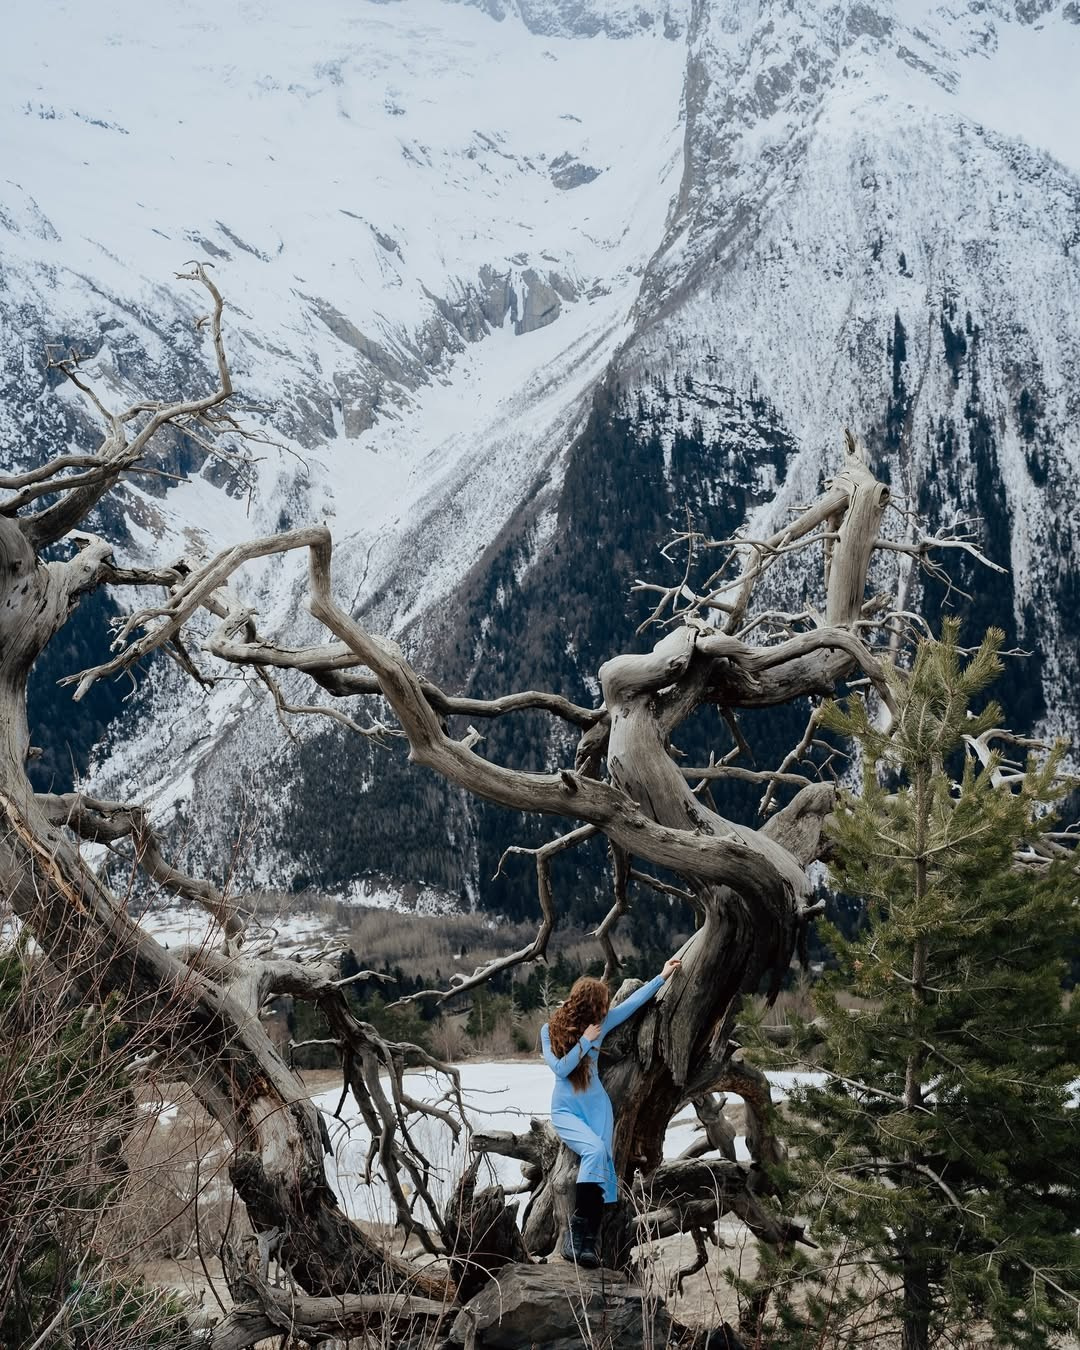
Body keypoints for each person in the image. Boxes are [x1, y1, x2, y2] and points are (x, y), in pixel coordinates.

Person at [540, 957, 683, 1267]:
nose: (605, 1011)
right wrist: (584, 1042)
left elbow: (632, 1003)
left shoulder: (600, 1025)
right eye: (600, 1005)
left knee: (603, 1164)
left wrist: (662, 976)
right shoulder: (548, 1031)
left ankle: (586, 1241)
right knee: (592, 1152)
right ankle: (575, 1237)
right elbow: (561, 1069)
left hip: (597, 1108)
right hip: (566, 1110)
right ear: (586, 1005)